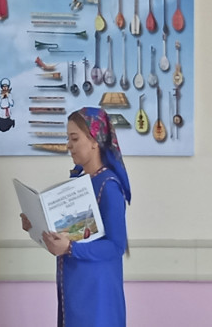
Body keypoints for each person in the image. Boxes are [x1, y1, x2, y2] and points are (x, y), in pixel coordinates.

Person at [20, 107, 131, 327]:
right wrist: (36, 226)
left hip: (98, 293)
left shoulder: (108, 186)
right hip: (75, 286)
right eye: (68, 139)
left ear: (95, 140)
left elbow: (116, 246)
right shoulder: (80, 184)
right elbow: (72, 234)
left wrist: (71, 248)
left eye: (74, 138)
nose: (69, 145)